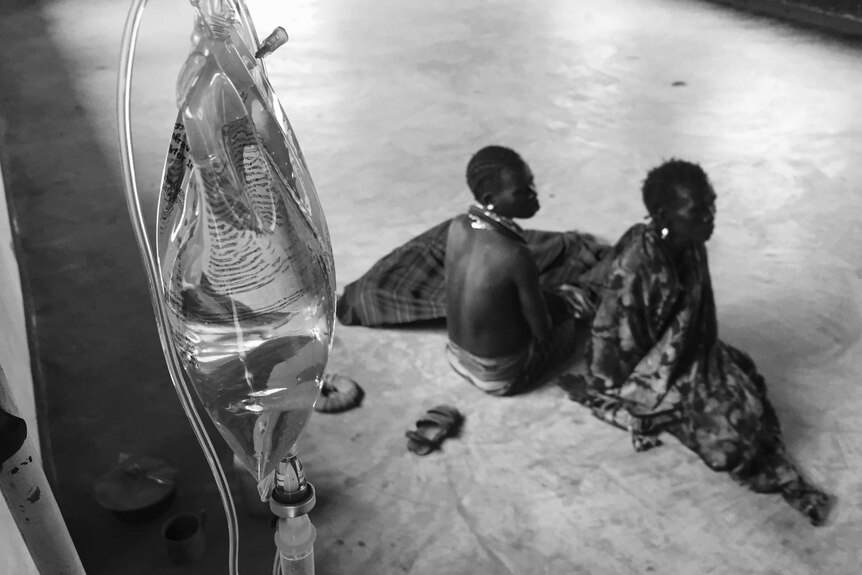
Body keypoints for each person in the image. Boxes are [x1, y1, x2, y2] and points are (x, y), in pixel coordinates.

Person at [568, 158, 832, 525]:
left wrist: (700, 366)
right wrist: (637, 393)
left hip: (687, 359)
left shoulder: (692, 246)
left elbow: (698, 323)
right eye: (699, 209)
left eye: (712, 205)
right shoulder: (635, 266)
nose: (710, 217)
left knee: (746, 382)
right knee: (731, 442)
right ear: (662, 214)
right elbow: (614, 343)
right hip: (648, 373)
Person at [444, 146, 592, 396]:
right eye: (521, 192)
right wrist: (565, 306)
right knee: (573, 315)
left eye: (531, 184)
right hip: (499, 377)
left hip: (455, 356)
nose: (533, 195)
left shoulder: (457, 226)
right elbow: (542, 330)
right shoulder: (515, 254)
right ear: (490, 199)